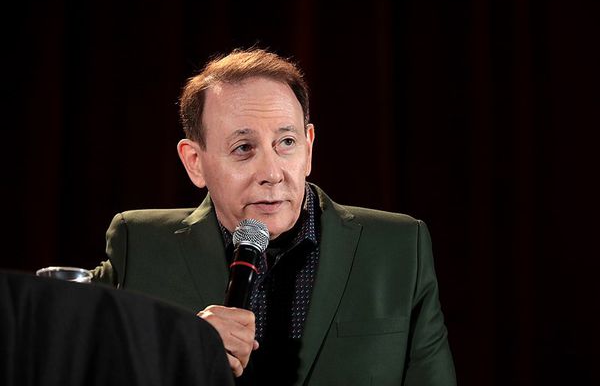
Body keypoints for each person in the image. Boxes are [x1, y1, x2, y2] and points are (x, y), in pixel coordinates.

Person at [92, 48, 457, 385]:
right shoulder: (139, 245)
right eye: (243, 148)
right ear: (194, 162)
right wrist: (176, 347)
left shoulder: (398, 247)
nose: (272, 172)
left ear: (309, 148)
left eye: (286, 143)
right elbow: (60, 346)